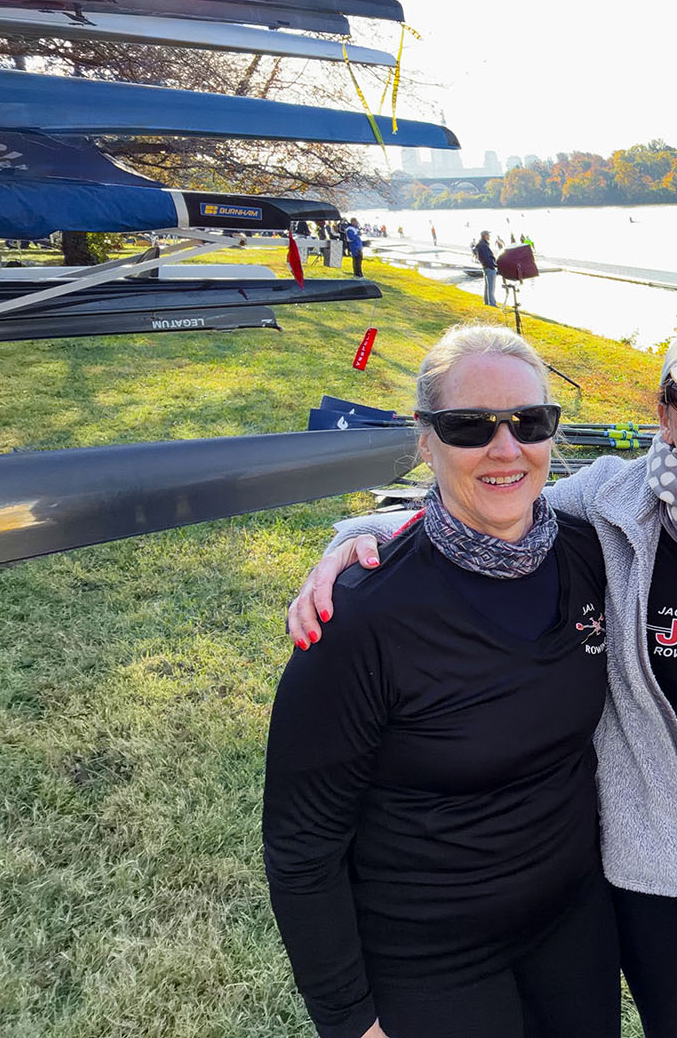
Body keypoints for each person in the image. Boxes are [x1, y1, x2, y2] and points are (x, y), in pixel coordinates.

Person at [287, 321, 677, 1038]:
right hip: (644, 853)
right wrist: (356, 539)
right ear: (664, 413)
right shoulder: (612, 508)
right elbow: (481, 505)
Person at [264, 324, 618, 1038]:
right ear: (424, 439)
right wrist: (349, 1021)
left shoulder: (592, 553)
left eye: (531, 422)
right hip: (429, 955)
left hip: (572, 922)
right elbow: (302, 844)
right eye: (468, 427)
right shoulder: (362, 618)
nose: (506, 449)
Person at [475, 231, 498, 307]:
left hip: (485, 267)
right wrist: (493, 265)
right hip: (489, 267)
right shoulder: (483, 245)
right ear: (484, 236)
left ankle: (487, 302)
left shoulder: (480, 244)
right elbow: (486, 258)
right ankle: (492, 303)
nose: (489, 236)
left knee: (487, 286)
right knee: (491, 286)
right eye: (488, 235)